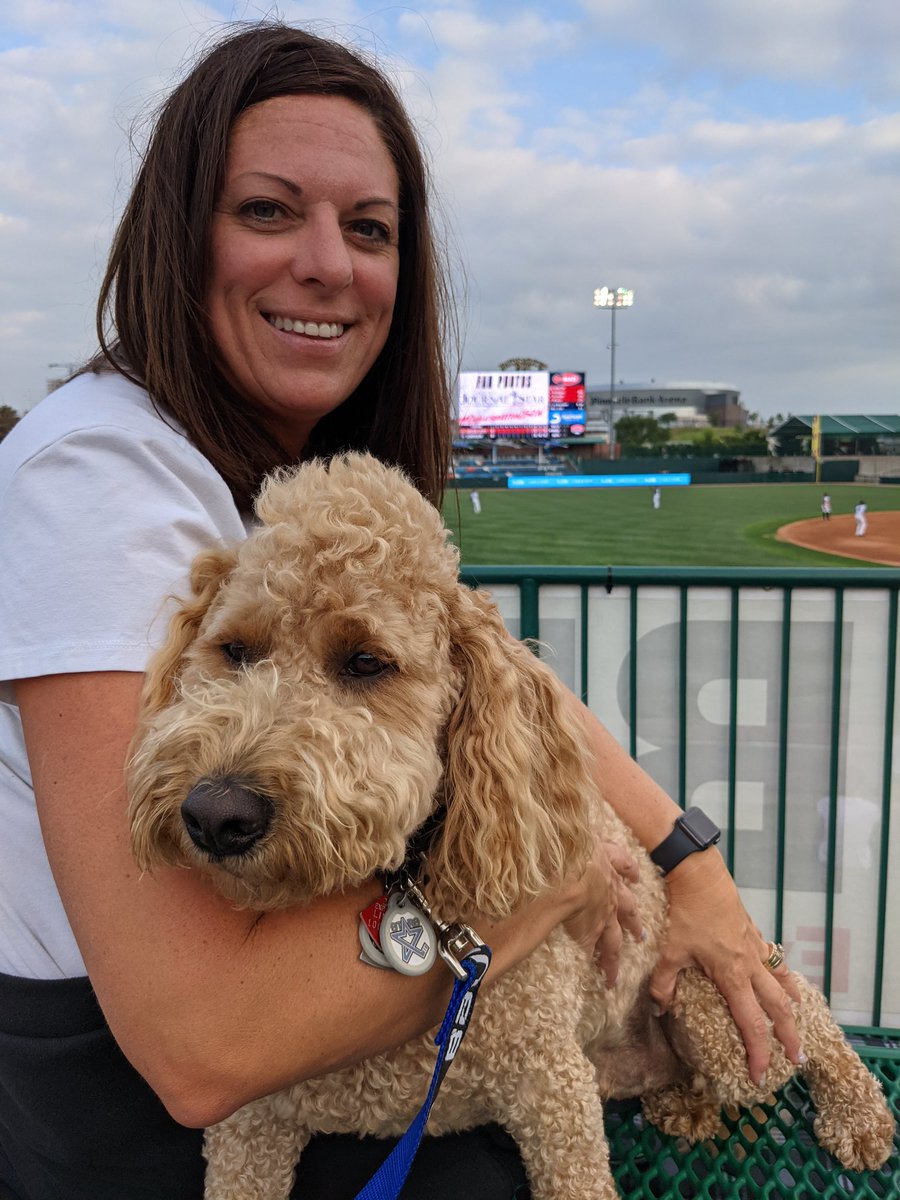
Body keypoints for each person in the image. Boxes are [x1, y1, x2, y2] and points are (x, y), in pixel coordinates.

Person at [0, 22, 801, 1199]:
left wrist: (690, 867)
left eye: (369, 229)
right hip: (145, 1121)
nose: (329, 263)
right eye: (268, 211)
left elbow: (493, 681)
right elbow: (203, 1046)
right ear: (178, 237)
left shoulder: (293, 468)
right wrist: (541, 886)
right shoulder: (99, 482)